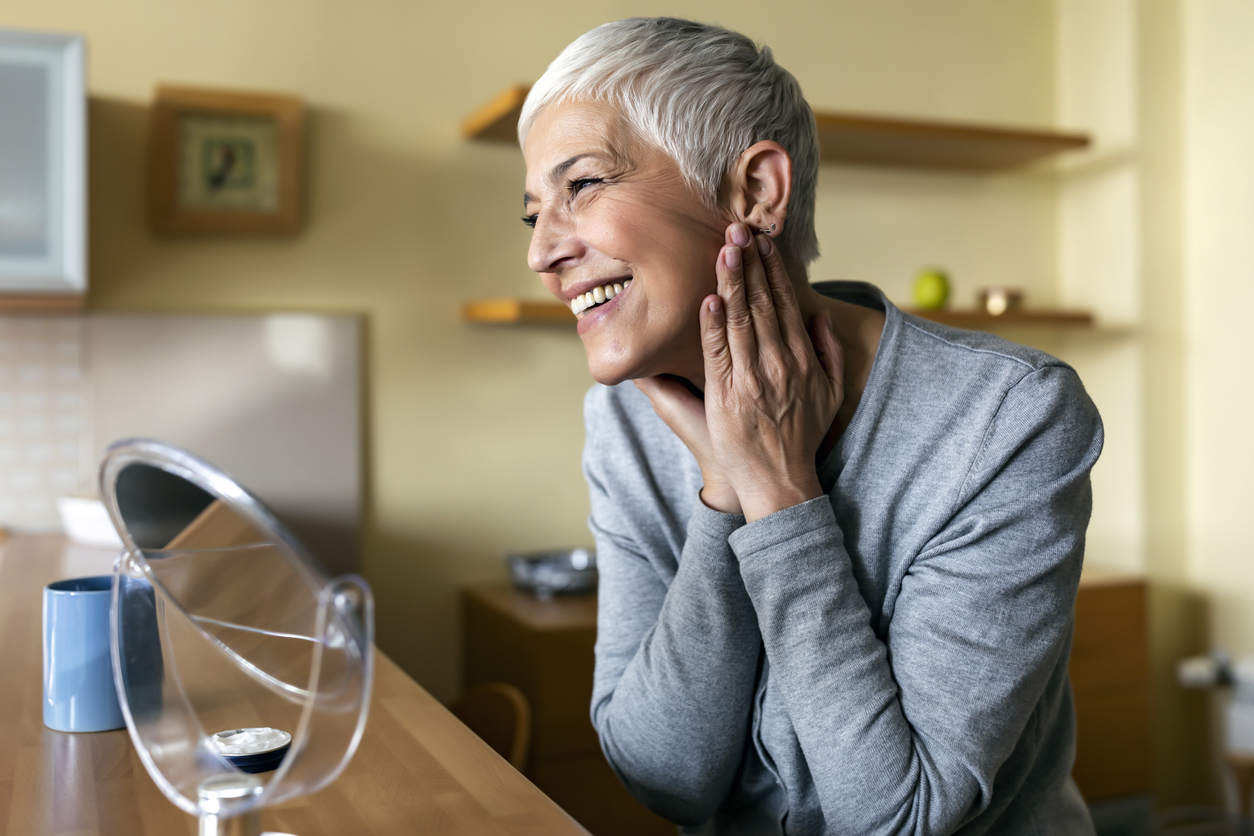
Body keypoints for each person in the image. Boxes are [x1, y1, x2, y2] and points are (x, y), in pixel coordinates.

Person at [519, 17, 1103, 836]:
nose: (542, 252)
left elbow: (898, 818)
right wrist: (722, 492)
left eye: (580, 185)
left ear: (755, 190)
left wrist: (777, 488)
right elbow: (663, 779)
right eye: (531, 213)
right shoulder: (622, 416)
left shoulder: (1010, 419)